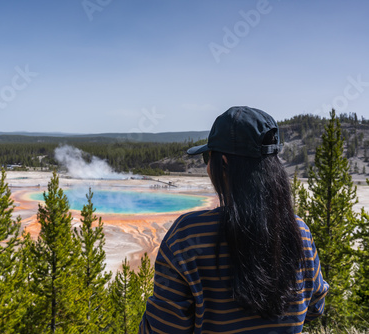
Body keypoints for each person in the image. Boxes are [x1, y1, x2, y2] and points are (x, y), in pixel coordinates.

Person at [139, 106, 329, 333]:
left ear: (225, 164)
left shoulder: (187, 235)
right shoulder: (300, 231)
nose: (208, 166)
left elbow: (162, 329)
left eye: (207, 157)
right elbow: (316, 306)